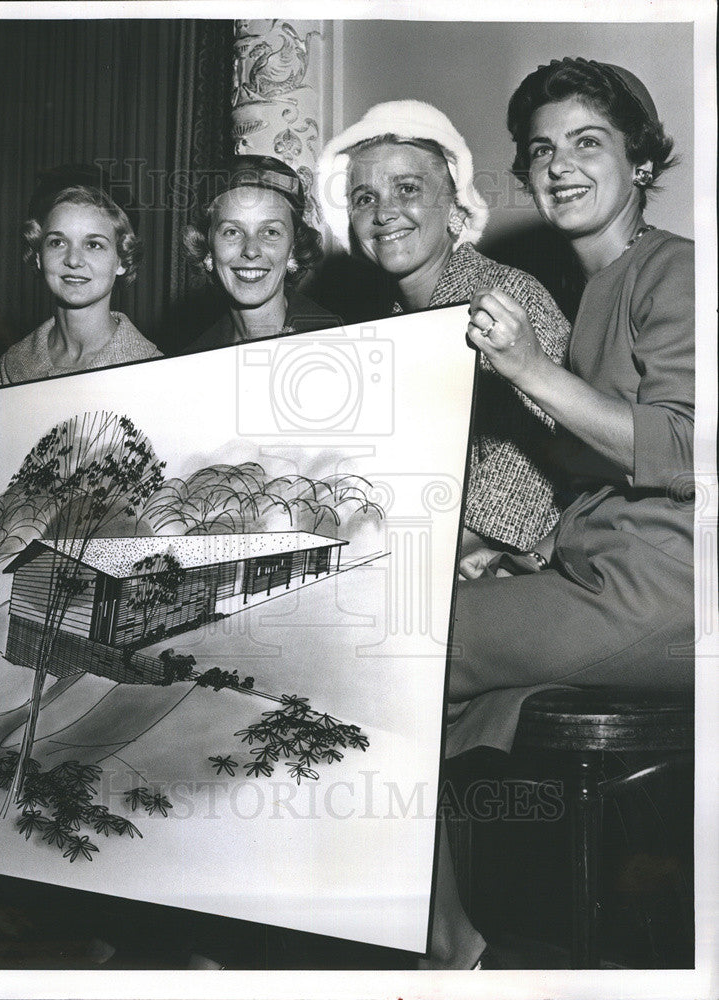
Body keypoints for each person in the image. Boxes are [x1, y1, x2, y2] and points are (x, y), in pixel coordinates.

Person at [435, 58, 694, 969]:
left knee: (395, 650)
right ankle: (481, 933)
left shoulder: (679, 273)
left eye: (588, 142)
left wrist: (527, 371)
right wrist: (530, 548)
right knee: (471, 694)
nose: (558, 164)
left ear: (642, 162)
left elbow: (685, 449)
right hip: (610, 575)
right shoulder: (592, 291)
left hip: (664, 593)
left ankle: (450, 943)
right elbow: (603, 476)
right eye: (540, 148)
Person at [316, 101, 572, 558]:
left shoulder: (510, 294)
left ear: (455, 204)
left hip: (510, 565)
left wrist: (417, 550)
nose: (384, 213)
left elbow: (537, 463)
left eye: (407, 188)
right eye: (364, 198)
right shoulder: (380, 332)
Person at [0, 184, 160, 440]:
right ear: (38, 257)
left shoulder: (153, 371)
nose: (74, 260)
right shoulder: (12, 366)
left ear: (122, 261)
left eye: (93, 245)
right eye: (57, 242)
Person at [180, 154, 341, 351]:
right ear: (208, 248)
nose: (251, 250)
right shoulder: (194, 359)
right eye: (232, 232)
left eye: (270, 232)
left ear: (293, 248)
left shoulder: (337, 343)